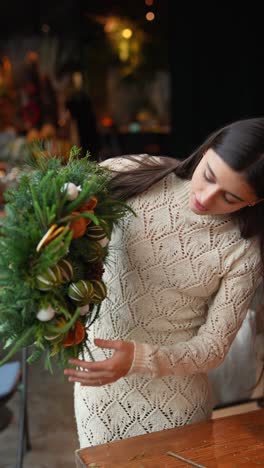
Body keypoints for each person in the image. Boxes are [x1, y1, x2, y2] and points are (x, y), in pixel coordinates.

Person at [64, 117, 264, 447]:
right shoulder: (132, 172)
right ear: (206, 151)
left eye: (230, 198)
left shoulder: (243, 251)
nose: (207, 197)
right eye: (210, 176)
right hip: (100, 397)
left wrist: (140, 358)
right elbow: (56, 216)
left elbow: (212, 349)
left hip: (177, 407)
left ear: (254, 202)